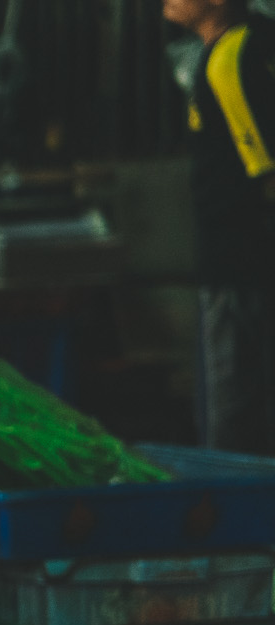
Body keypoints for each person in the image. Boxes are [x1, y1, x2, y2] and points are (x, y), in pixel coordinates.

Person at [167, 0, 275, 453]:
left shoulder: (230, 58)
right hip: (251, 268)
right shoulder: (253, 41)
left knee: (231, 424)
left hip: (239, 271)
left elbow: (266, 172)